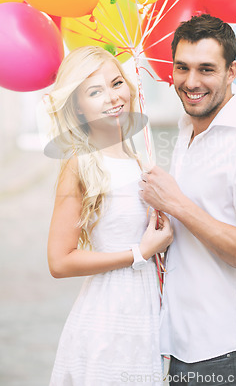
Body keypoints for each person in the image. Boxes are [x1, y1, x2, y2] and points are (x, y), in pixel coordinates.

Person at [139, 14, 236, 385]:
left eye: (206, 69)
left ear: (231, 71)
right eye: (182, 68)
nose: (191, 82)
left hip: (223, 355)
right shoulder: (188, 129)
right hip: (182, 345)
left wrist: (178, 205)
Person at [46, 46, 173, 385]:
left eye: (116, 83)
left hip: (144, 313)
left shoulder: (138, 160)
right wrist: (139, 252)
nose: (112, 97)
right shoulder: (81, 164)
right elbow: (59, 261)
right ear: (78, 107)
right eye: (94, 91)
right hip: (108, 318)